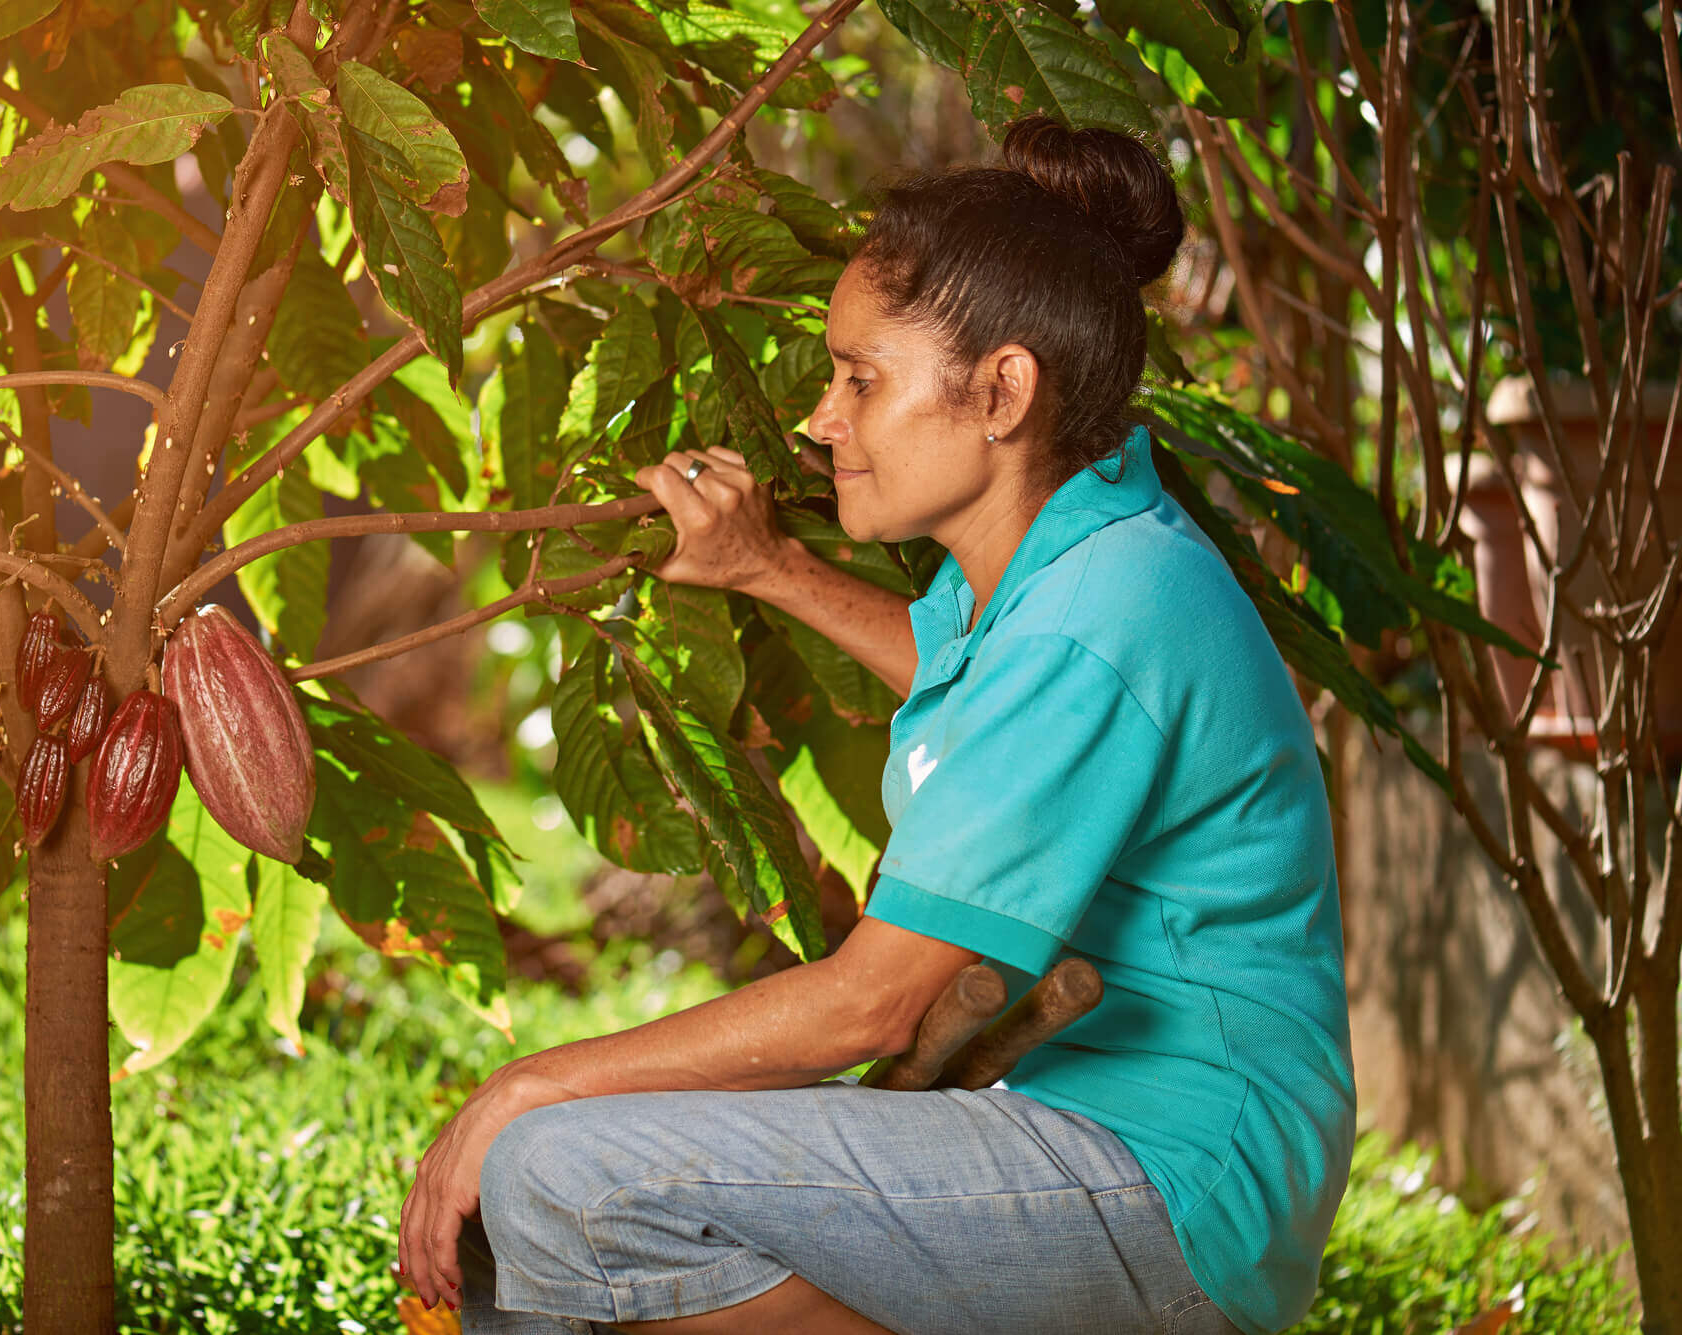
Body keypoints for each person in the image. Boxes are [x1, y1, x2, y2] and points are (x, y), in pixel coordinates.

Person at [396, 116, 1354, 1335]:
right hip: (1101, 1128)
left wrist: (518, 1087)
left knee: (559, 1173)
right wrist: (765, 567)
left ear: (1002, 390)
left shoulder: (1094, 614)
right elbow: (969, 674)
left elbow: (874, 1007)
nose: (818, 419)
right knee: (548, 1186)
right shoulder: (1072, 542)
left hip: (1168, 1176)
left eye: (859, 378)